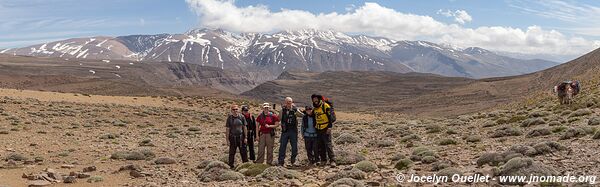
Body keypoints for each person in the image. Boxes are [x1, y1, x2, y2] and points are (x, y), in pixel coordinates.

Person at [278, 97, 303, 167]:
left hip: (293, 131)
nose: (289, 103)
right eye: (287, 102)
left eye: (290, 102)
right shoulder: (282, 110)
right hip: (285, 131)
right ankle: (281, 161)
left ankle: (293, 160)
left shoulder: (295, 110)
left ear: (292, 102)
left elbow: (302, 115)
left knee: (294, 146)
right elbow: (278, 118)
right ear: (285, 103)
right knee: (282, 146)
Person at [312, 94, 336, 166]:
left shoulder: (325, 106)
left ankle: (332, 160)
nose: (315, 100)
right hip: (318, 128)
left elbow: (330, 117)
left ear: (319, 99)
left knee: (328, 144)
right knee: (321, 144)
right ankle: (323, 160)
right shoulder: (315, 108)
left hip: (326, 128)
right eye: (313, 99)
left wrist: (329, 127)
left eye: (316, 99)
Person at [225, 104, 248, 169]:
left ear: (238, 110)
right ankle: (230, 165)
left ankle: (245, 165)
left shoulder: (242, 117)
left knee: (243, 152)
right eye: (233, 109)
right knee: (232, 152)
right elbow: (227, 129)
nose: (235, 111)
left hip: (241, 137)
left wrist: (246, 137)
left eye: (236, 109)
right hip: (232, 137)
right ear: (231, 110)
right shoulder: (229, 118)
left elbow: (245, 127)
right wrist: (227, 140)